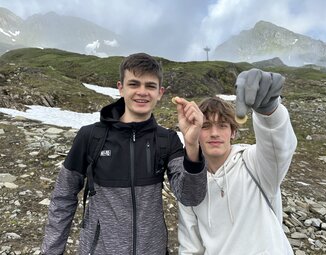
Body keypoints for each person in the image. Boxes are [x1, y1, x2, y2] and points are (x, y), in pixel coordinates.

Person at [41, 53, 207, 255]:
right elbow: (62, 198)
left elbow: (190, 196)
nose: (142, 92)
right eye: (134, 84)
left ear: (160, 92)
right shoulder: (90, 136)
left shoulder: (167, 140)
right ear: (120, 87)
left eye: (150, 86)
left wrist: (191, 144)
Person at [178, 68, 297, 254]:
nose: (214, 133)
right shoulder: (190, 183)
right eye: (206, 126)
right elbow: (190, 247)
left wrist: (269, 110)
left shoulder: (254, 163)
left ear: (233, 132)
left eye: (222, 125)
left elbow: (279, 147)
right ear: (197, 131)